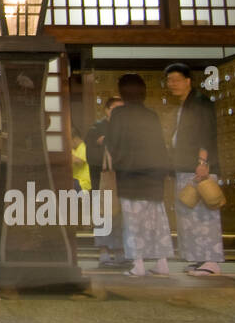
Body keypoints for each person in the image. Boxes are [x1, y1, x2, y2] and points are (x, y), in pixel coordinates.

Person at [105, 74, 175, 278]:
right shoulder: (151, 115)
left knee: (133, 221)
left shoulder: (119, 115)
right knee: (156, 219)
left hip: (130, 175)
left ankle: (138, 264)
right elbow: (160, 144)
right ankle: (162, 262)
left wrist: (119, 161)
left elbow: (113, 142)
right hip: (153, 175)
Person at [166, 62, 224, 277]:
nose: (172, 84)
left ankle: (211, 259)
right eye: (169, 80)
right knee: (189, 213)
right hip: (184, 166)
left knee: (204, 214)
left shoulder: (200, 103)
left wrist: (203, 162)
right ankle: (198, 258)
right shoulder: (184, 105)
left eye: (176, 80)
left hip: (199, 167)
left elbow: (206, 134)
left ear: (188, 81)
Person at [87, 96, 127, 268]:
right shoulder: (96, 128)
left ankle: (120, 250)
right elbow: (90, 155)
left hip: (122, 179)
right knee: (103, 215)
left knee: (120, 216)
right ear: (107, 110)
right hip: (101, 179)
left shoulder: (126, 128)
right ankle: (103, 250)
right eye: (115, 109)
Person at [69, 128, 91, 193]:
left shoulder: (84, 147)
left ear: (75, 139)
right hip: (74, 180)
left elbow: (80, 162)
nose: (67, 144)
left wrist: (66, 155)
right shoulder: (73, 149)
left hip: (83, 182)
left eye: (68, 141)